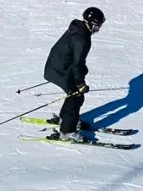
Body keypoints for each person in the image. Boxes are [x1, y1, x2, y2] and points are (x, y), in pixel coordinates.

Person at [43, 7, 106, 141]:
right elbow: (78, 63)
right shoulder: (82, 39)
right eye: (98, 26)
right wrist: (80, 83)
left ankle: (66, 119)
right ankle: (67, 131)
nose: (98, 29)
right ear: (91, 24)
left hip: (56, 67)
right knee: (76, 96)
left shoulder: (77, 28)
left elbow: (75, 59)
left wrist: (80, 73)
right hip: (59, 70)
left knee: (73, 93)